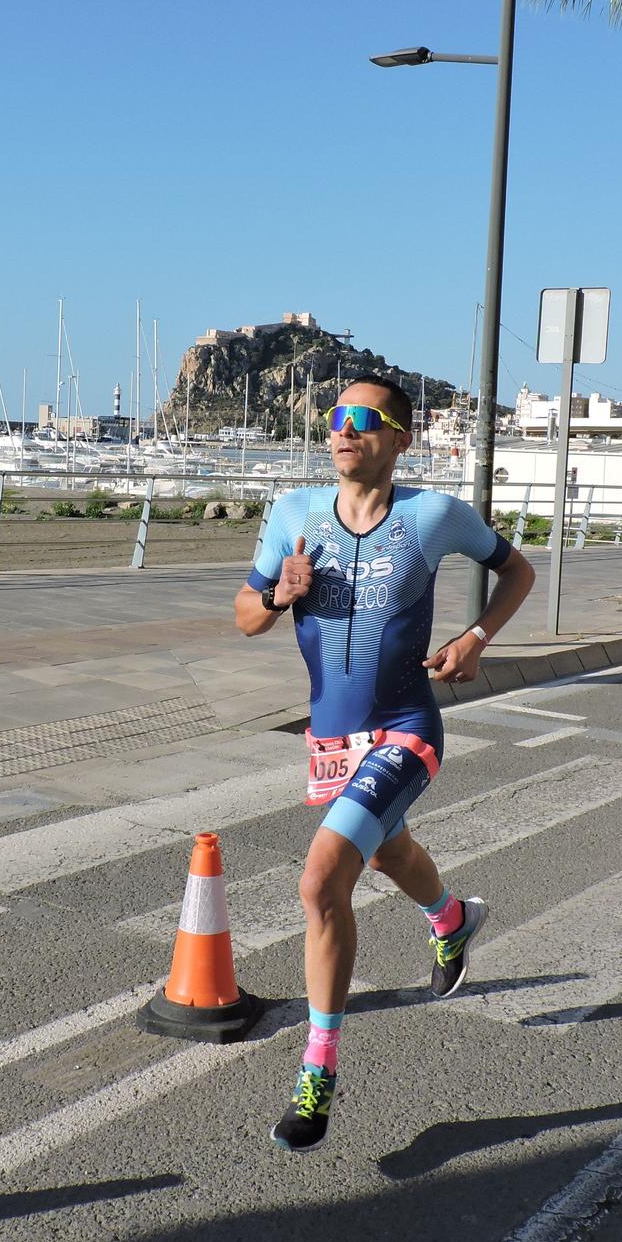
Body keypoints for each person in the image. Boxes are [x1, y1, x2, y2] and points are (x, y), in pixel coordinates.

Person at [237, 375, 536, 1152]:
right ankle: (451, 919)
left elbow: (518, 570)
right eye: (335, 418)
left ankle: (317, 1075)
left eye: (363, 421)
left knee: (323, 875)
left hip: (407, 726)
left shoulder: (432, 516)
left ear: (401, 438)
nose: (343, 431)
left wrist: (476, 638)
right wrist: (277, 598)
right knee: (386, 850)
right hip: (333, 740)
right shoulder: (294, 513)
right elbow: (242, 615)